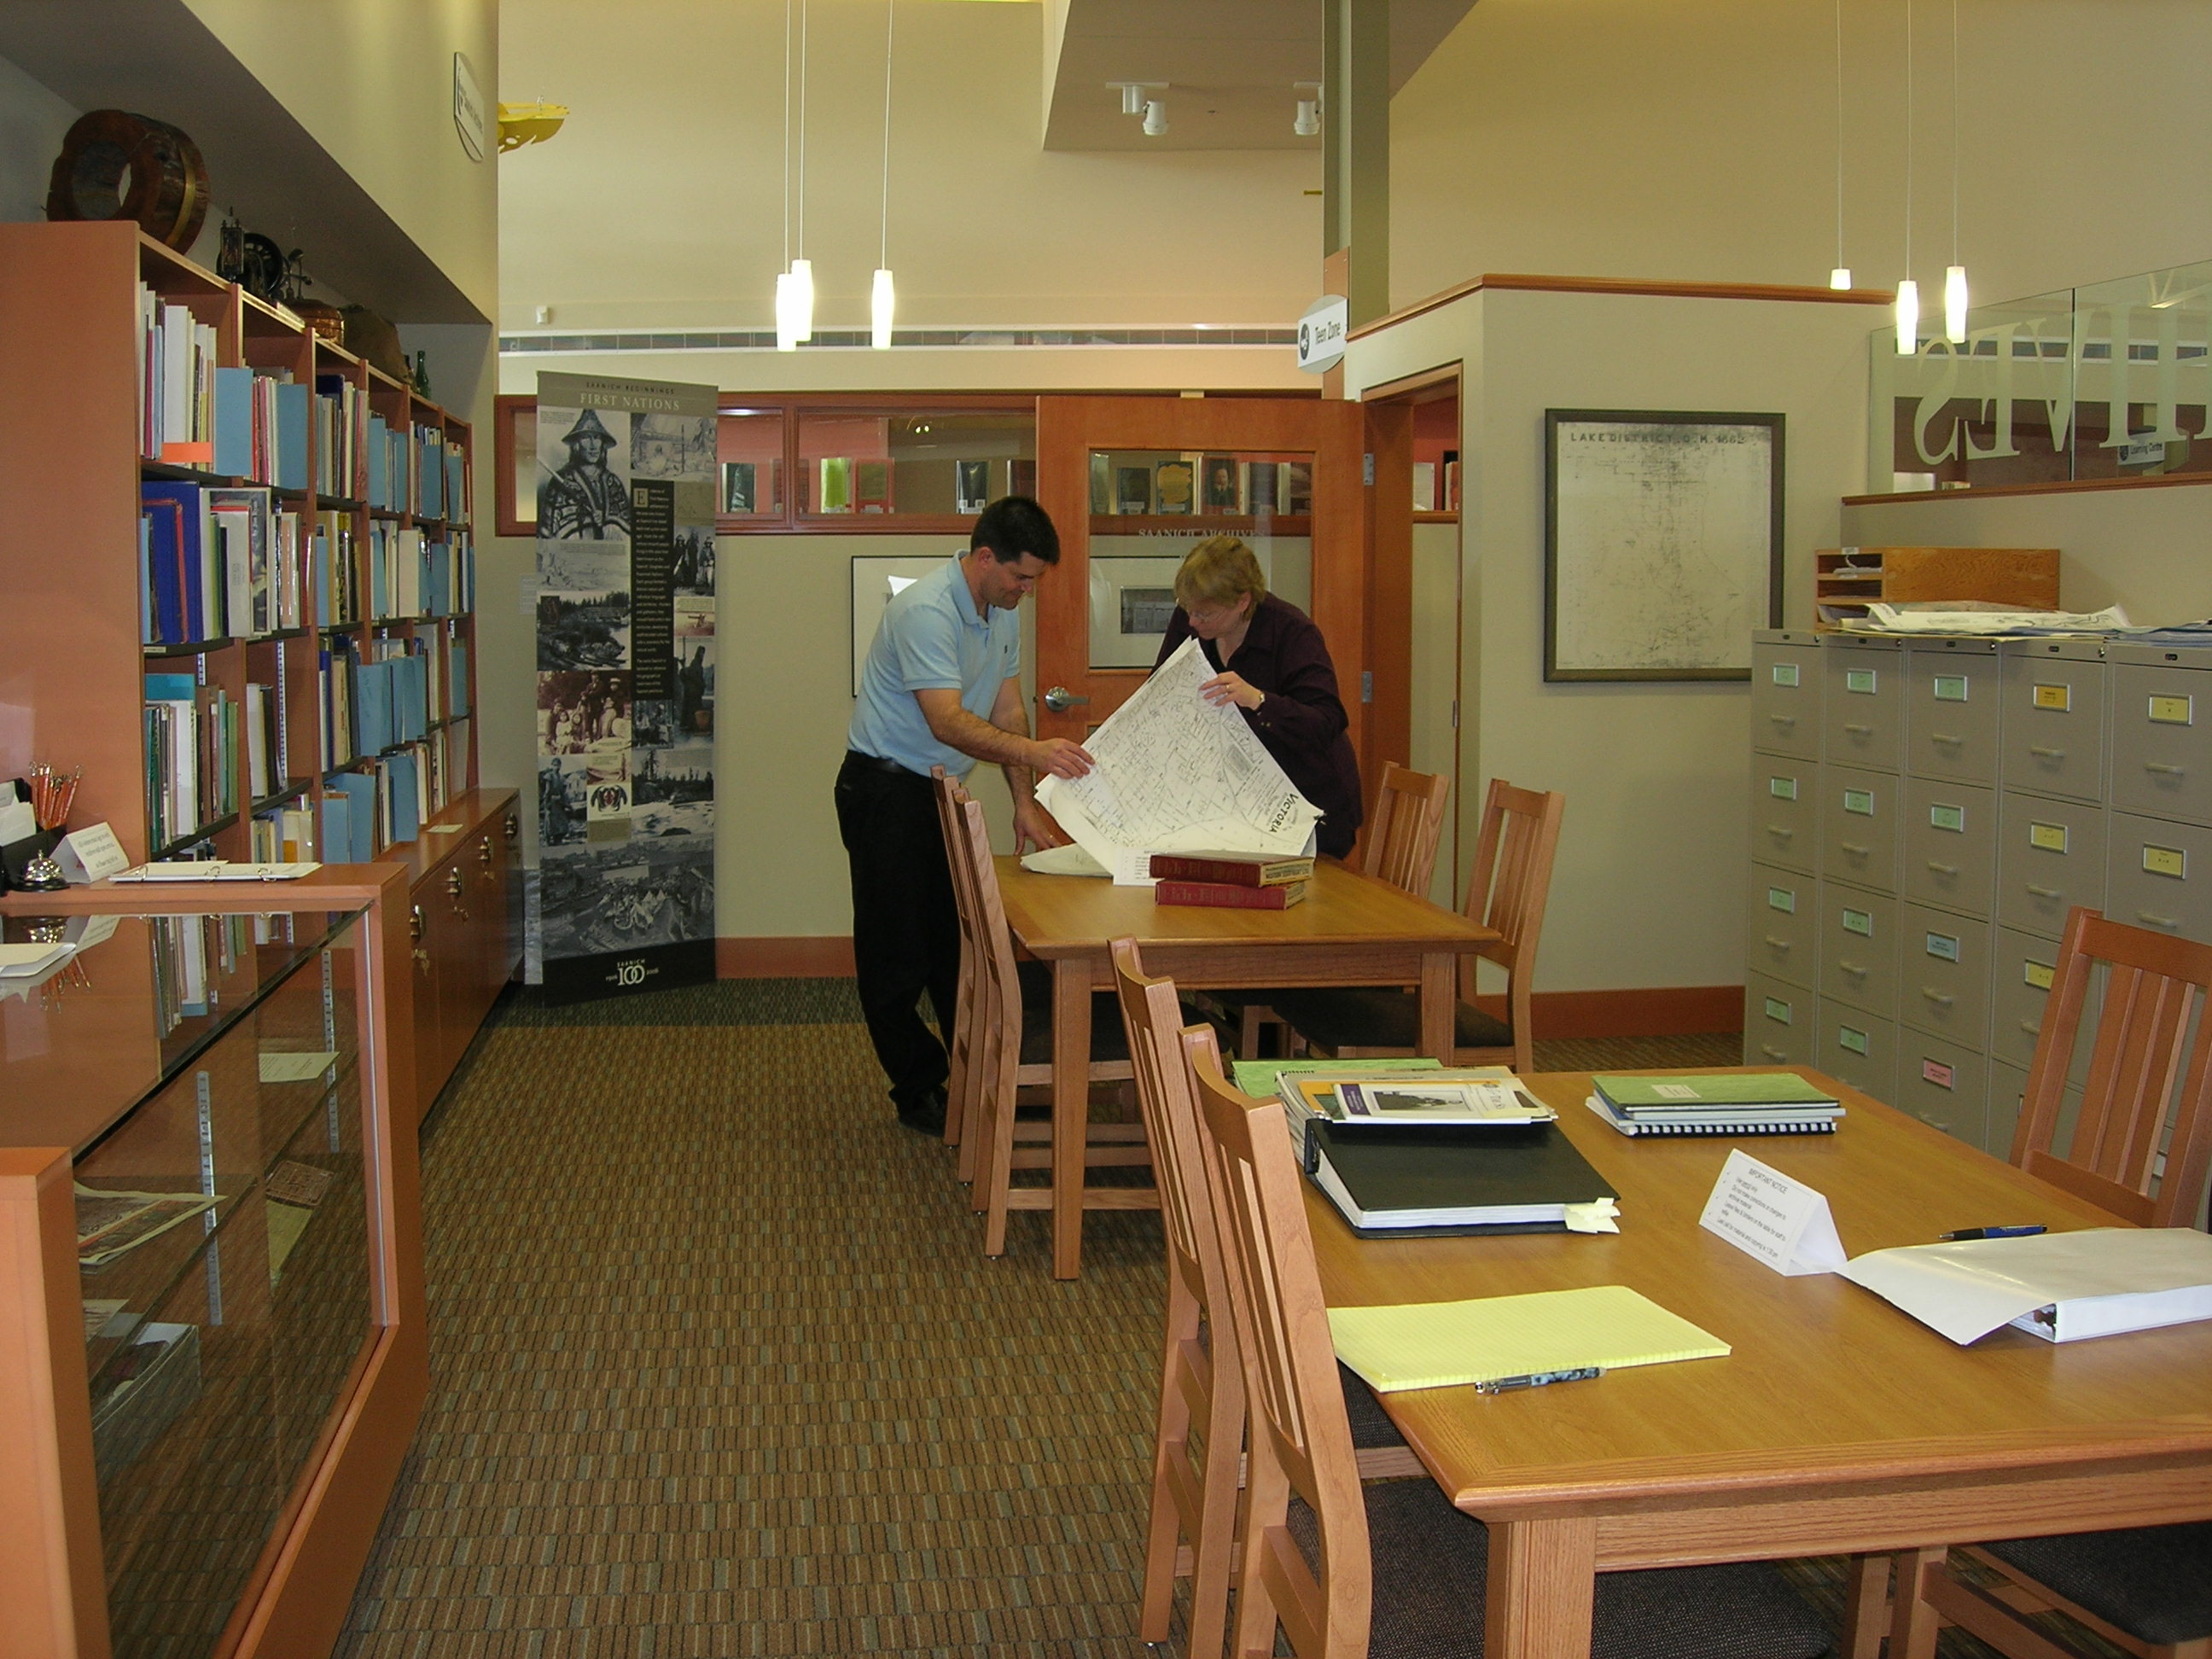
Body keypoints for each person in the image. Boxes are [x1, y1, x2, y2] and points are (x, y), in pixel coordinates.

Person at [836, 497, 1094, 1134]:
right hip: (884, 789)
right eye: (1021, 577)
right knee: (897, 954)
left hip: (937, 790)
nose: (1027, 591)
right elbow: (947, 721)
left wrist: (1025, 801)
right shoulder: (925, 610)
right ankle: (917, 1087)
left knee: (956, 946)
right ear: (985, 558)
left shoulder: (999, 613)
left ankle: (981, 1077)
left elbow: (1007, 712)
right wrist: (1037, 754)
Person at [1152, 534, 1362, 859]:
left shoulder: (1292, 632)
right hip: (1235, 803)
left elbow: (1328, 720)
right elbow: (1160, 691)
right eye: (1188, 608)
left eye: (1205, 614)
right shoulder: (1190, 620)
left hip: (1307, 803)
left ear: (1242, 601)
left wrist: (1260, 701)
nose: (1193, 622)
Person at [538, 408, 631, 540]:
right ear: (576, 445)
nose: (593, 446)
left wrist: (606, 518)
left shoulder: (612, 482)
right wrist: (586, 519)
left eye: (597, 438)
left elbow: (626, 527)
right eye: (586, 438)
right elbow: (549, 530)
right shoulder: (561, 481)